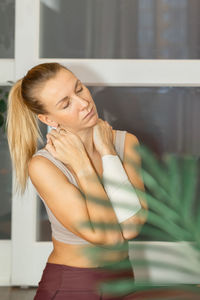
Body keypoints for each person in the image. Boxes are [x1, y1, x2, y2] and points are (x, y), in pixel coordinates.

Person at [6, 62, 148, 299]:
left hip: (123, 279)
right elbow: (110, 237)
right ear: (48, 119)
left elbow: (132, 226)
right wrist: (82, 165)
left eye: (79, 89)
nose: (84, 103)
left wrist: (107, 152)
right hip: (73, 284)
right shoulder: (44, 166)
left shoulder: (126, 143)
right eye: (66, 103)